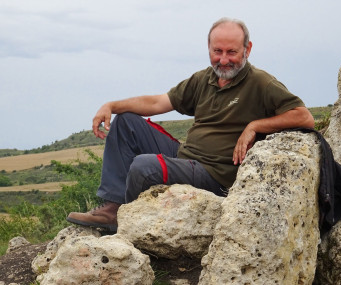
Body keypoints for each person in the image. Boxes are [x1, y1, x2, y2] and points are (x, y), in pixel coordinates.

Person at [67, 17, 315, 231]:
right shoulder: (203, 79)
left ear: (247, 49)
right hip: (186, 157)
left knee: (144, 166)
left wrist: (255, 126)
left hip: (214, 174)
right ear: (208, 48)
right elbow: (157, 103)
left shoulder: (261, 83)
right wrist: (112, 106)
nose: (224, 60)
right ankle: (113, 208)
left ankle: (129, 226)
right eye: (217, 51)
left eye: (232, 52)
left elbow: (304, 116)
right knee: (126, 122)